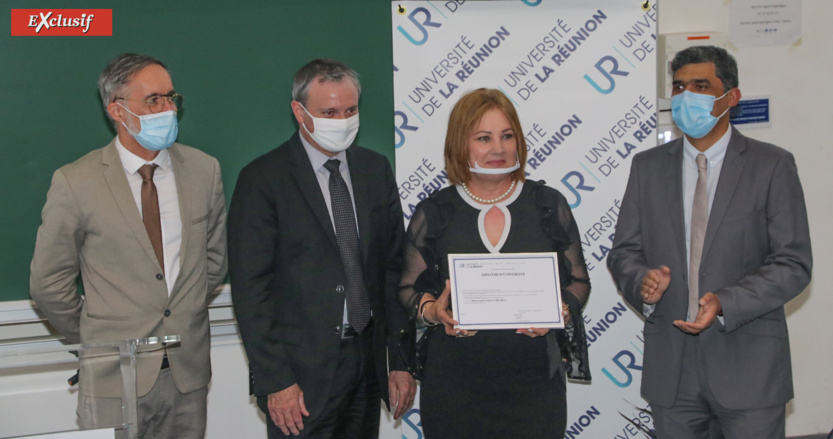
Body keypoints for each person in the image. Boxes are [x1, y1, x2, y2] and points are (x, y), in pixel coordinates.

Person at [607, 46, 812, 438]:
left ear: (731, 97)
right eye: (680, 87)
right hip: (672, 369)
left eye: (701, 86)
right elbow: (624, 252)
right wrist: (642, 283)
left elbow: (793, 263)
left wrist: (726, 302)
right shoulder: (647, 167)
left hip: (749, 366)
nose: (687, 97)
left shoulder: (771, 165)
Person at [30, 53, 228, 438]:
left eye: (171, 98)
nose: (167, 108)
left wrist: (179, 311)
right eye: (154, 100)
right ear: (117, 111)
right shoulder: (76, 182)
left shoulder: (205, 171)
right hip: (112, 376)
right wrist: (96, 336)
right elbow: (48, 283)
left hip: (188, 373)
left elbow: (214, 261)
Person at [228, 58, 415, 438]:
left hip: (367, 365)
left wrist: (400, 360)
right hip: (298, 377)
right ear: (299, 112)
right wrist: (275, 381)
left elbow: (395, 270)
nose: (342, 120)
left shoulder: (375, 170)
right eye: (329, 112)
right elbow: (251, 290)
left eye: (350, 110)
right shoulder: (263, 179)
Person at [399, 88, 591, 438]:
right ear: (461, 143)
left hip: (533, 387)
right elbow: (408, 288)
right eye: (484, 138)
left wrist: (559, 311)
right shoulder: (435, 212)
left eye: (507, 136)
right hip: (454, 388)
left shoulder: (548, 205)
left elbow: (578, 280)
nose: (499, 149)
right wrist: (433, 311)